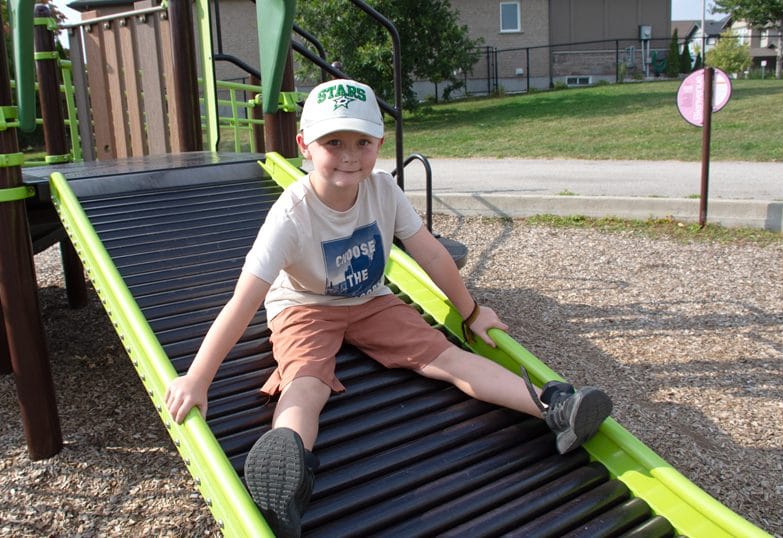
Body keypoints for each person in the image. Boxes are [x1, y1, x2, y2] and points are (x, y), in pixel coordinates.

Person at [164, 79, 612, 537]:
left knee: (446, 357)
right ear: (304, 146)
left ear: (380, 143)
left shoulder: (383, 190)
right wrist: (198, 379)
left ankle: (553, 406)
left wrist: (472, 311)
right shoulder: (290, 215)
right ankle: (288, 471)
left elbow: (432, 253)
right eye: (332, 142)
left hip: (371, 300)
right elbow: (245, 300)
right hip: (304, 306)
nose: (349, 155)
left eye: (363, 142)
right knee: (306, 380)